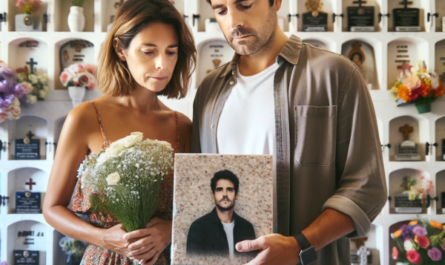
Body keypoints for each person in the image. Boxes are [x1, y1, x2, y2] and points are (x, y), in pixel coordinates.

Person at [191, 0, 387, 264]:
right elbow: (196, 189)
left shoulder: (336, 75)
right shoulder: (208, 90)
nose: (233, 21)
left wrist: (299, 246)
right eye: (221, 10)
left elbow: (367, 189)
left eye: (245, 4)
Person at [43, 0, 196, 264]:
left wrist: (169, 231)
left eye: (171, 52)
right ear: (120, 49)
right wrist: (101, 238)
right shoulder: (86, 117)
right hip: (105, 258)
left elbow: (200, 205)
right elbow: (52, 209)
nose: (162, 64)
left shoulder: (183, 125)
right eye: (149, 51)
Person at [186, 170, 256, 258]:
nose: (224, 194)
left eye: (229, 189)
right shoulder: (198, 227)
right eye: (219, 190)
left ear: (236, 194)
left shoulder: (247, 227)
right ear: (213, 195)